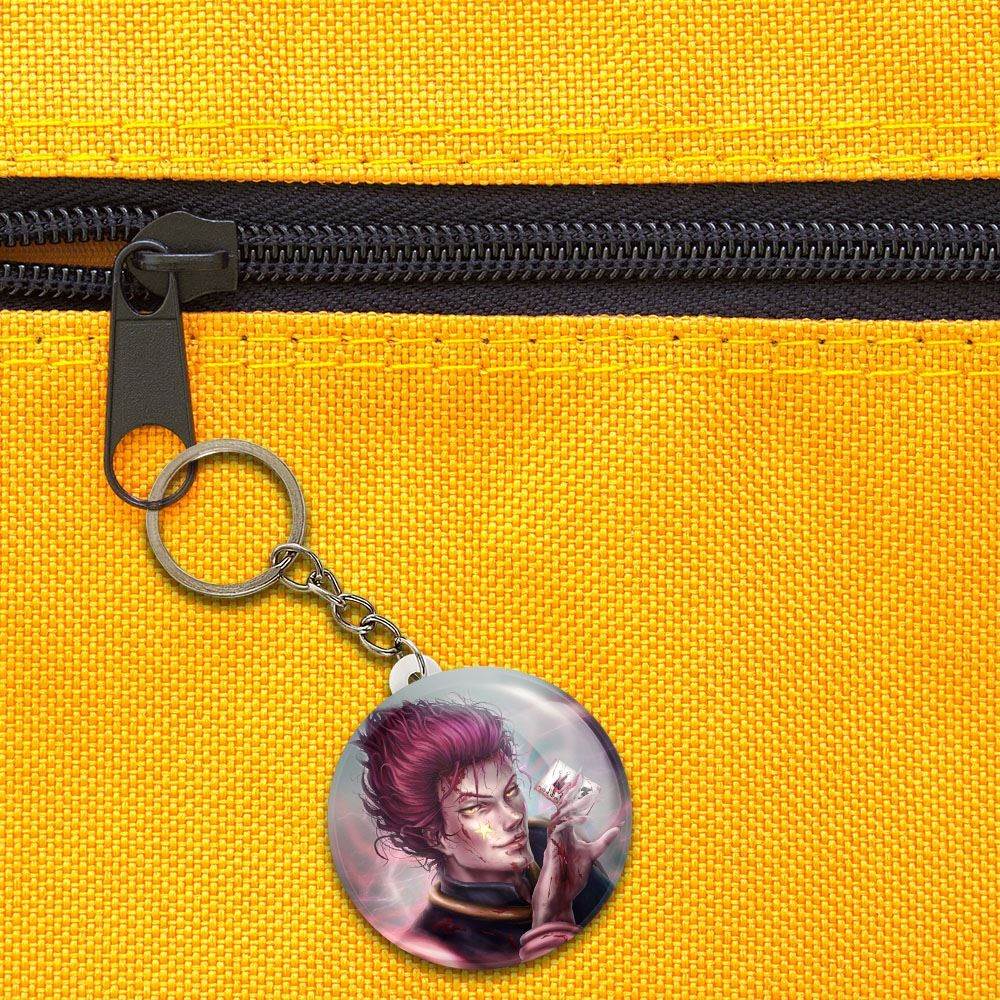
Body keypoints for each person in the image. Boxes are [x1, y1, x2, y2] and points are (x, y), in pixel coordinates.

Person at [355, 699, 621, 968]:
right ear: (436, 837)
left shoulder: (547, 840)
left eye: (511, 791)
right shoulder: (434, 945)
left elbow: (597, 795)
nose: (513, 817)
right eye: (476, 807)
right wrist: (551, 930)